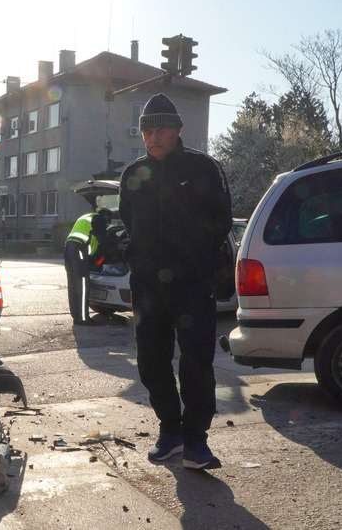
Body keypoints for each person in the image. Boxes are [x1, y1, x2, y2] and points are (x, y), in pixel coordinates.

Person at [117, 93, 232, 471]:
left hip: (193, 286)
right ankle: (171, 431)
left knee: (197, 362)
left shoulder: (204, 168)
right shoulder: (133, 174)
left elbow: (222, 222)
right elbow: (126, 221)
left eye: (161, 129)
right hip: (149, 288)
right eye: (147, 130)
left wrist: (198, 261)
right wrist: (130, 252)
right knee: (151, 362)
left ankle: (197, 441)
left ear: (178, 130)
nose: (153, 137)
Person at [64, 207, 111, 326]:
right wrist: (116, 246)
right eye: (108, 220)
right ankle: (84, 319)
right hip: (78, 250)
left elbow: (93, 243)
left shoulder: (86, 217)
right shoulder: (98, 218)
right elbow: (104, 241)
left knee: (74, 284)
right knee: (83, 284)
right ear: (105, 215)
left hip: (69, 249)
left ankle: (77, 317)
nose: (107, 223)